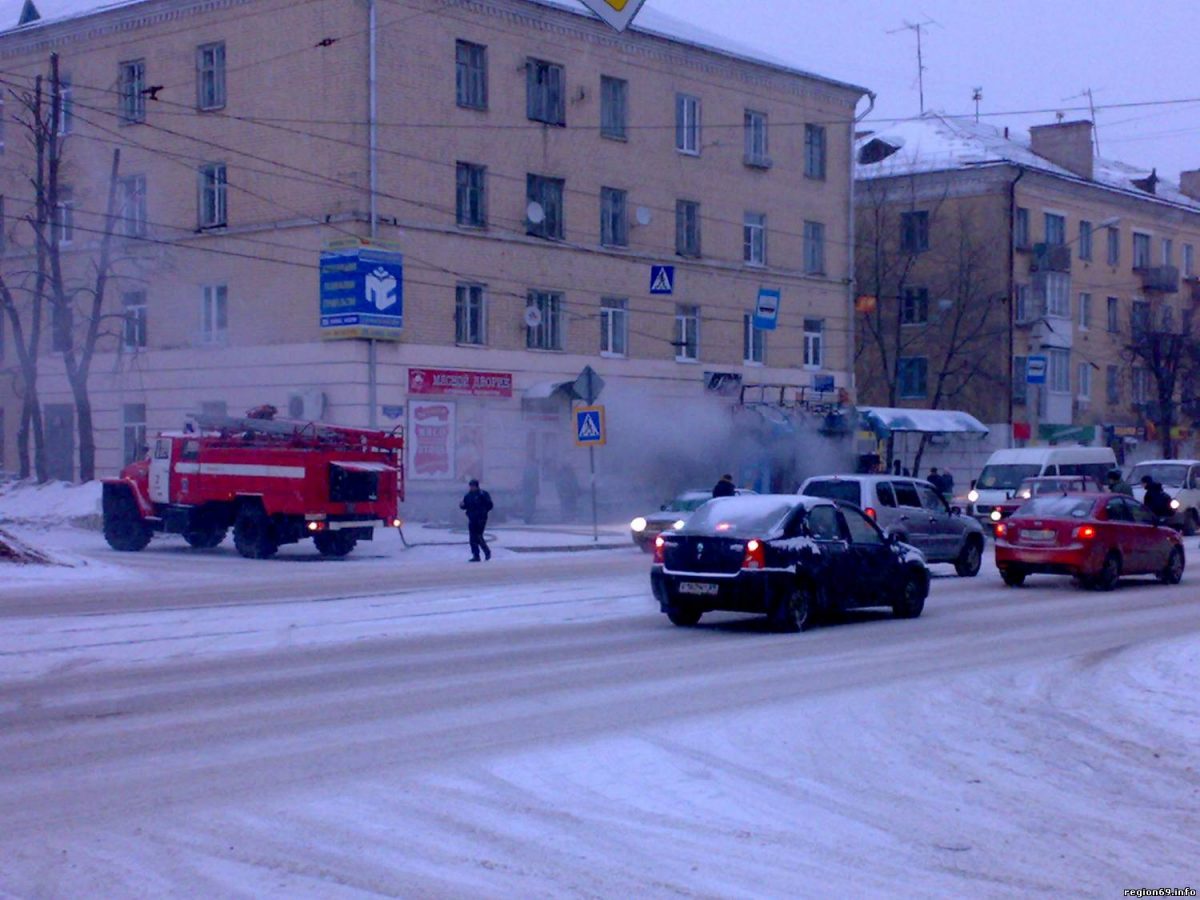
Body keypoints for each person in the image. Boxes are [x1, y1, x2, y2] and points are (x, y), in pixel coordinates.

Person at [460, 478, 493, 562]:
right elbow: (465, 506)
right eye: (470, 486)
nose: (471, 487)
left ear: (477, 486)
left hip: (481, 518)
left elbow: (490, 505)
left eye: (473, 486)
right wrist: (462, 505)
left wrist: (483, 512)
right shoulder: (468, 496)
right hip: (472, 518)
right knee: (472, 538)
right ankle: (476, 555)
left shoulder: (483, 494)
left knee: (478, 536)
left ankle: (487, 552)